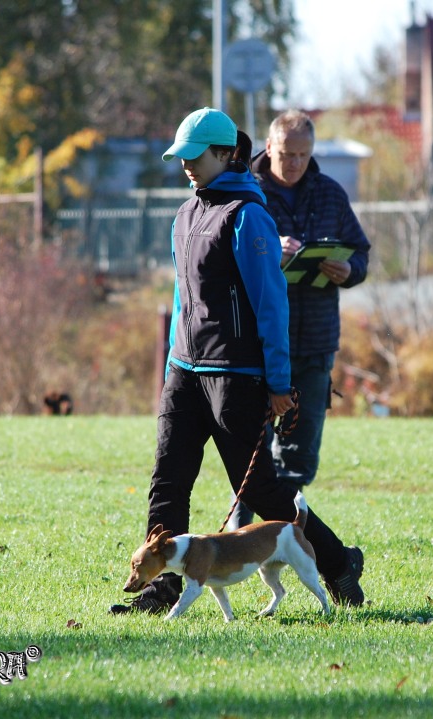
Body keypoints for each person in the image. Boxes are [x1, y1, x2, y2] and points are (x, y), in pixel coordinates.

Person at [109, 107, 364, 615]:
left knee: (262, 491)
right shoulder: (185, 214)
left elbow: (272, 304)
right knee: (167, 478)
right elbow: (184, 299)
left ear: (226, 154)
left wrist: (278, 382)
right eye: (179, 156)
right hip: (186, 373)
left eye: (194, 155)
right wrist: (169, 371)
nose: (185, 165)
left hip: (237, 377)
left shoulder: (249, 216)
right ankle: (161, 590)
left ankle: (337, 564)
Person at [229, 109, 372, 530]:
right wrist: (269, 248)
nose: (294, 163)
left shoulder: (330, 193)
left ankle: (288, 534)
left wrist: (351, 271)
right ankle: (241, 530)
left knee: (300, 453)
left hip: (314, 343)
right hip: (256, 344)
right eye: (287, 153)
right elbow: (225, 259)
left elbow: (360, 251)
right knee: (253, 447)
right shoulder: (244, 192)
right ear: (268, 147)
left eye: (303, 155)